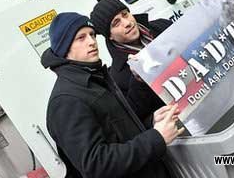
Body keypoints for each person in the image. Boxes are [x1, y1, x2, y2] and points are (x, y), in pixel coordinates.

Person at [41, 12, 183, 178]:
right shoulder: (66, 100)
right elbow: (96, 165)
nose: (91, 42)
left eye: (92, 35)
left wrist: (151, 123)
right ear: (64, 47)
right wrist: (156, 138)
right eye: (81, 38)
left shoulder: (96, 79)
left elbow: (119, 136)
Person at [90, 0, 234, 125]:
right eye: (116, 23)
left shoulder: (162, 26)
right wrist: (138, 81)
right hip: (202, 123)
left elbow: (207, 41)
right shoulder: (119, 75)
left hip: (232, 94)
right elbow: (137, 116)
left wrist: (233, 15)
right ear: (109, 36)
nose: (126, 23)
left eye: (125, 14)